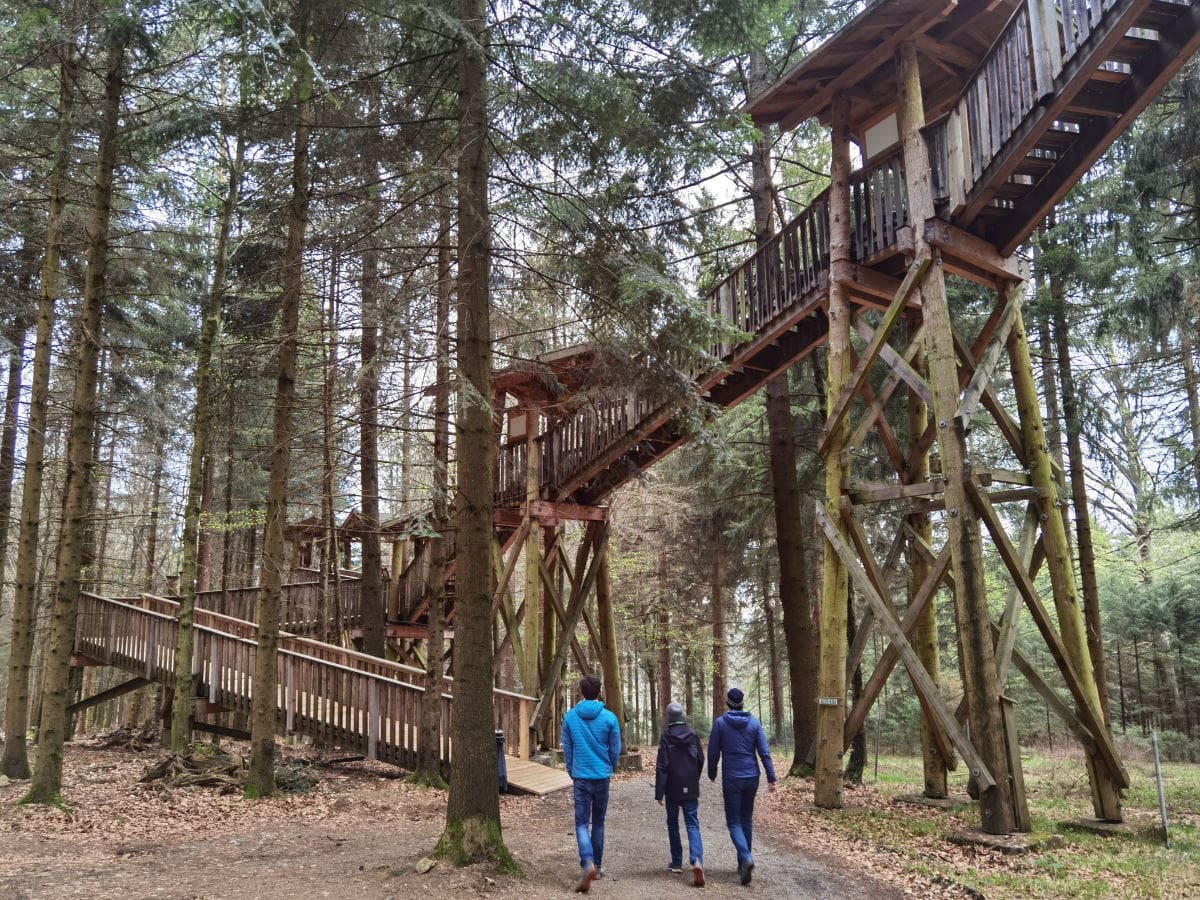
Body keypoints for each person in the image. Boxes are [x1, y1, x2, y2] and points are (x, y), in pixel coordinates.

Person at [706, 687, 777, 886]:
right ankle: (741, 865)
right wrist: (771, 778)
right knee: (746, 819)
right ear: (742, 703)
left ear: (728, 703)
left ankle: (745, 857)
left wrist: (712, 772)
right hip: (752, 776)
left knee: (734, 822)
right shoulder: (754, 723)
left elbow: (713, 752)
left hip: (732, 778)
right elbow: (764, 752)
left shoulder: (720, 724)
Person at [562, 673, 622, 894]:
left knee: (581, 823)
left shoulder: (570, 717)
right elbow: (615, 748)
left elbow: (568, 748)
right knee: (598, 822)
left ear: (581, 692)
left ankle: (587, 862)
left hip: (581, 776)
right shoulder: (609, 718)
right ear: (599, 691)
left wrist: (571, 769)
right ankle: (596, 865)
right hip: (601, 776)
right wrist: (611, 766)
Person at [655, 701, 705, 887]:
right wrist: (693, 778)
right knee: (693, 824)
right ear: (683, 716)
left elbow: (662, 766)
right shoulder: (693, 736)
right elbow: (700, 759)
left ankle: (676, 862)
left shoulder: (666, 738)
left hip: (672, 789)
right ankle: (697, 860)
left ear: (669, 718)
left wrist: (659, 792)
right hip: (690, 787)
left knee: (673, 823)